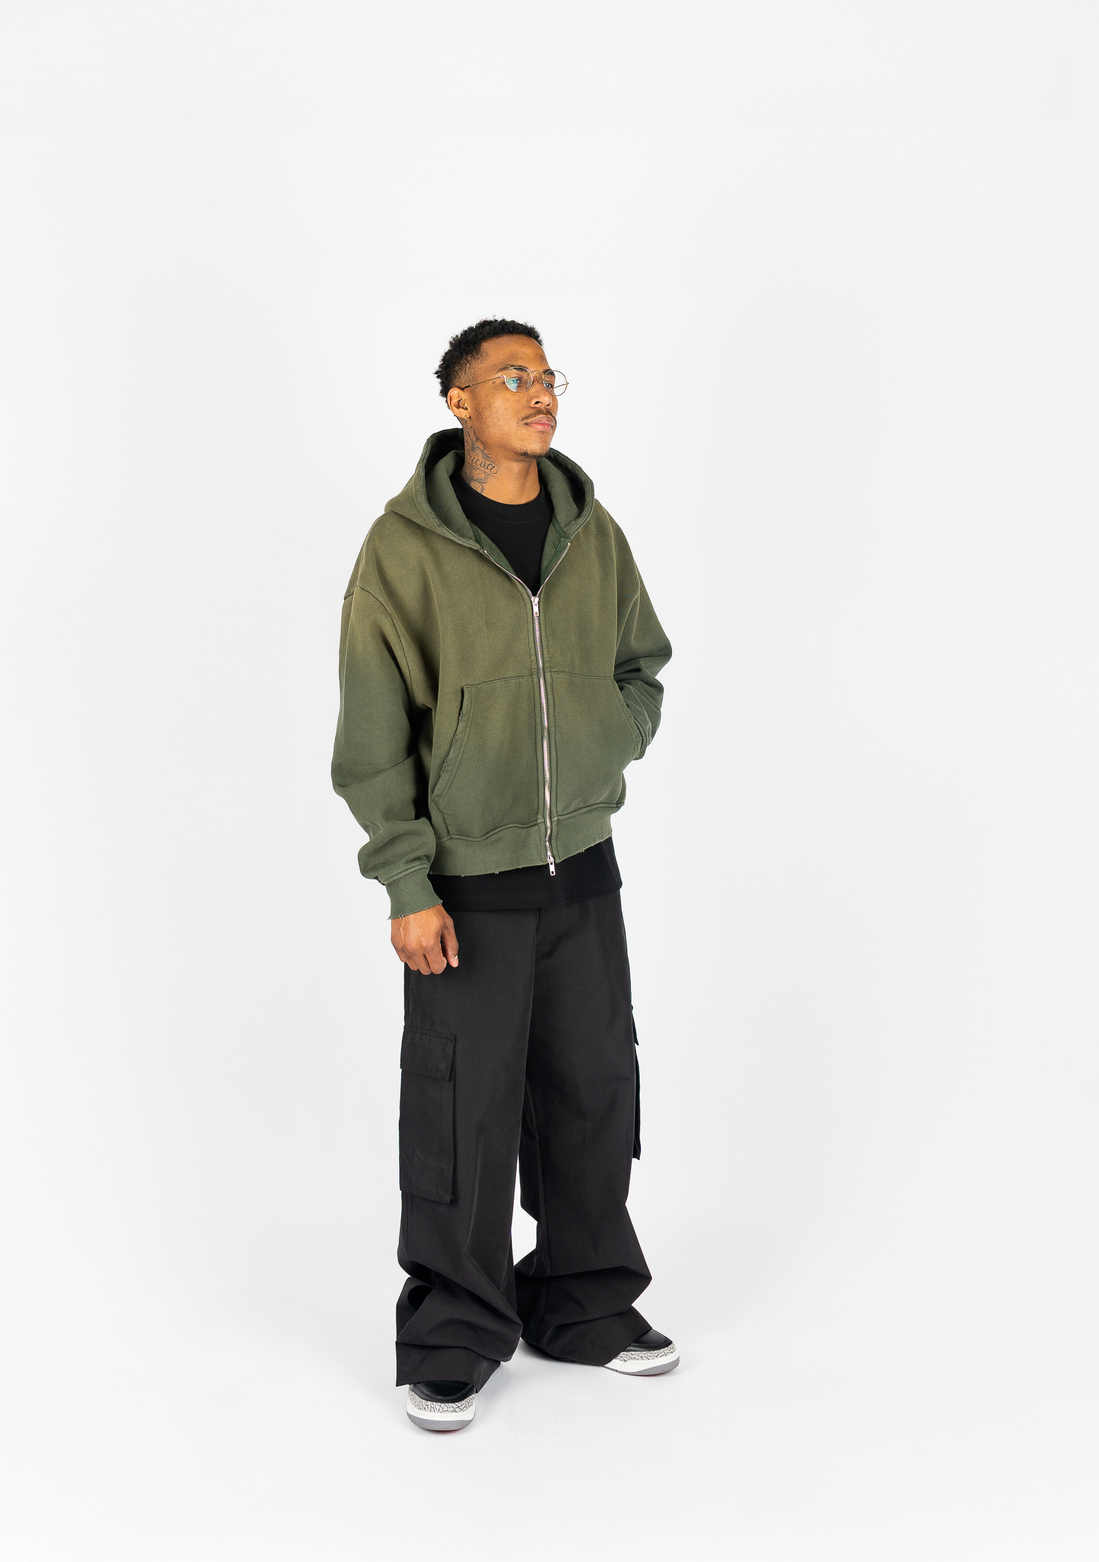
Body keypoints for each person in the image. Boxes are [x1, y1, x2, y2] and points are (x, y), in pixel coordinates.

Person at [332, 318, 676, 1433]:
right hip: (466, 885)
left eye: (548, 376)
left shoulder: (591, 532)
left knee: (593, 1094)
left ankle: (585, 1303)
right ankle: (453, 1333)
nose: (540, 394)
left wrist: (604, 744)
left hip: (583, 869)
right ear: (459, 403)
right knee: (461, 1115)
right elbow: (373, 732)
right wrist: (406, 883)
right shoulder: (403, 550)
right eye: (512, 377)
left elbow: (642, 665)